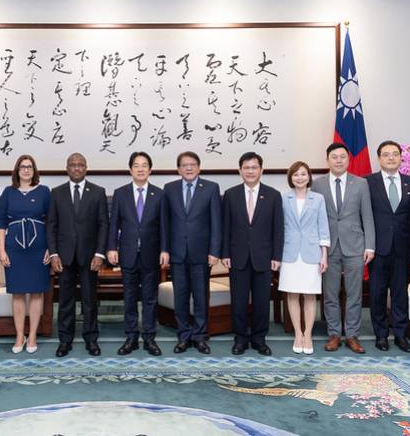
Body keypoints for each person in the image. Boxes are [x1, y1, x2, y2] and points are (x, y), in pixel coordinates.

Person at [311, 142, 375, 354]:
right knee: (330, 293)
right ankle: (334, 334)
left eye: (342, 157)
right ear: (328, 160)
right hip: (328, 246)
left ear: (348, 160)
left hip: (355, 246)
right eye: (334, 157)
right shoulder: (318, 184)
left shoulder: (361, 183)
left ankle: (352, 335)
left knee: (354, 294)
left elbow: (367, 216)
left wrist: (370, 246)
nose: (338, 160)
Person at [222, 152, 283, 356]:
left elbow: (278, 229)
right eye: (246, 168)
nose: (250, 171)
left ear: (261, 170)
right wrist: (225, 253)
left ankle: (259, 339)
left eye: (254, 167)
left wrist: (277, 256)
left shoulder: (273, 195)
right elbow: (226, 227)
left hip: (263, 257)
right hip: (237, 256)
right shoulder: (230, 194)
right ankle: (240, 339)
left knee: (261, 301)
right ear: (240, 171)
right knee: (238, 300)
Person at [47, 153, 108, 357]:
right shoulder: (56, 193)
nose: (76, 168)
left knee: (90, 300)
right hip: (63, 257)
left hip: (90, 256)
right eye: (72, 165)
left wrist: (100, 253)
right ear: (67, 168)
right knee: (65, 300)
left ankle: (91, 339)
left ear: (86, 168)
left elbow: (103, 225)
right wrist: (54, 253)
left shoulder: (98, 192)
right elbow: (51, 225)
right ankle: (65, 341)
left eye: (80, 165)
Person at [108, 151, 168, 356]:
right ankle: (131, 337)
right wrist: (111, 248)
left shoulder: (159, 194)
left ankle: (150, 338)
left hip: (151, 254)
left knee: (150, 298)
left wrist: (164, 250)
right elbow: (113, 223)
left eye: (144, 165)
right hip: (128, 253)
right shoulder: (120, 193)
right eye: (136, 165)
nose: (140, 168)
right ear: (130, 169)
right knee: (130, 297)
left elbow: (164, 226)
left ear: (150, 170)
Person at [161, 151, 221, 354]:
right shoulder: (169, 189)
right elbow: (165, 223)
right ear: (178, 169)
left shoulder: (211, 188)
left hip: (201, 253)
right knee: (180, 297)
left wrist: (214, 250)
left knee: (201, 297)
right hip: (177, 253)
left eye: (192, 164)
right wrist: (165, 249)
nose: (188, 168)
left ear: (199, 167)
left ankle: (200, 336)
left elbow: (216, 222)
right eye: (184, 165)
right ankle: (184, 336)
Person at [367, 140, 410, 353]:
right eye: (386, 154)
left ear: (400, 157)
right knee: (377, 292)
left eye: (395, 154)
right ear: (379, 159)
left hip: (403, 248)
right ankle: (380, 335)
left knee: (399, 292)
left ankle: (400, 335)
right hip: (377, 248)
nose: (390, 158)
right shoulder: (368, 182)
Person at [0, 155, 51, 354]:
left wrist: (51, 249)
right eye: (22, 167)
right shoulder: (8, 193)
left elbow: (52, 222)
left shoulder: (44, 192)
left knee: (37, 292)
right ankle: (20, 335)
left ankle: (33, 335)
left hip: (39, 249)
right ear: (17, 170)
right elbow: (0, 224)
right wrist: (2, 250)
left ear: (34, 170)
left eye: (29, 167)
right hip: (14, 249)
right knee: (18, 293)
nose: (26, 170)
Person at [277, 161, 329, 355]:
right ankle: (297, 334)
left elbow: (323, 227)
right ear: (291, 178)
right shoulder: (284, 198)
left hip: (312, 252)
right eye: (296, 174)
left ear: (309, 177)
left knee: (309, 294)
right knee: (292, 294)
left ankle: (308, 334)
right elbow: (279, 228)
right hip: (289, 252)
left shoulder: (318, 199)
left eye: (303, 174)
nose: (300, 177)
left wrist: (324, 255)